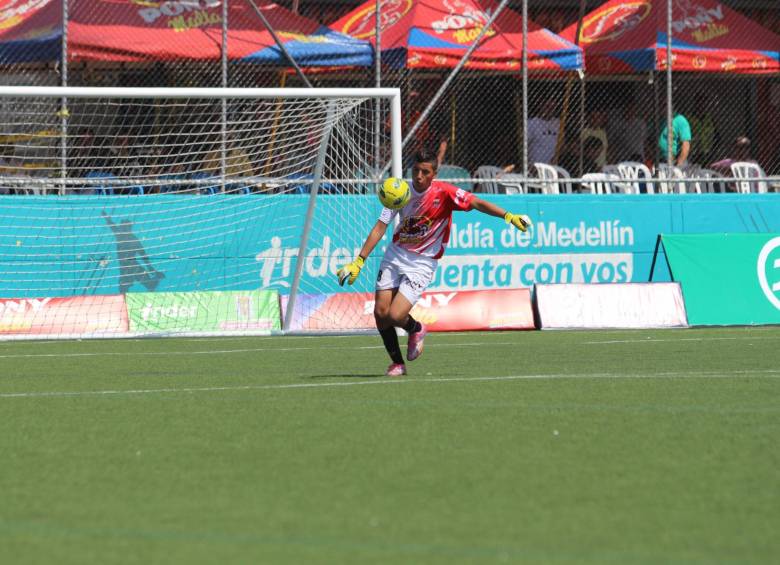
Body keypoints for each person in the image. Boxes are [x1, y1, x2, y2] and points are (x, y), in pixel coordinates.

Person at [336, 148, 532, 377]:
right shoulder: (399, 192)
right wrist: (359, 261)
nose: (419, 176)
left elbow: (477, 203)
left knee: (396, 315)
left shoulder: (445, 193)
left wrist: (508, 216)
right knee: (380, 313)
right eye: (416, 170)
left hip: (422, 262)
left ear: (434, 174)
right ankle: (397, 364)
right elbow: (381, 227)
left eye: (425, 172)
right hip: (395, 254)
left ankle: (416, 328)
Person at [527, 98, 560, 165]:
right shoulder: (531, 123)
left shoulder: (558, 123)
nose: (550, 110)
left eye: (552, 107)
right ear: (540, 106)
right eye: (547, 106)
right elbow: (525, 145)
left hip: (554, 165)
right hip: (536, 165)